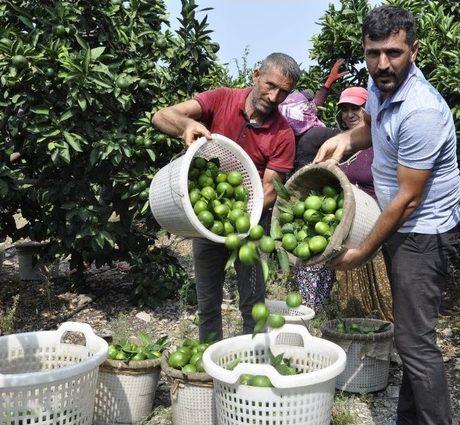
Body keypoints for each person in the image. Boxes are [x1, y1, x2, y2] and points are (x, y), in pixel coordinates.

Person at [314, 6, 460, 425]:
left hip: (423, 233)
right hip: (404, 227)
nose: (382, 63)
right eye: (373, 52)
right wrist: (346, 138)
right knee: (409, 338)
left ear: (414, 51)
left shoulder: (422, 111)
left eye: (394, 53)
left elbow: (407, 200)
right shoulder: (380, 86)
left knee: (417, 345)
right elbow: (374, 128)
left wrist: (362, 251)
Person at [152, 53, 300, 342]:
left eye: (284, 92)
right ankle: (209, 360)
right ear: (256, 74)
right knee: (207, 302)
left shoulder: (283, 134)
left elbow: (268, 190)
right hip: (208, 219)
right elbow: (160, 115)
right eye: (270, 85)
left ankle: (253, 360)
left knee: (253, 303)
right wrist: (185, 126)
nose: (273, 96)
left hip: (250, 221)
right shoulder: (221, 99)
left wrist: (239, 220)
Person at [332, 87, 393, 321]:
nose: (349, 115)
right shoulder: (339, 145)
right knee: (351, 295)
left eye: (355, 108)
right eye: (344, 110)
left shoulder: (380, 143)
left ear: (368, 111)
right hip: (347, 227)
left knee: (380, 292)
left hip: (372, 224)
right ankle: (356, 338)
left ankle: (386, 335)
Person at [277, 90, 337, 308]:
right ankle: (314, 305)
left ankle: (309, 303)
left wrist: (327, 85)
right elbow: (348, 139)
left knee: (307, 256)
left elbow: (308, 107)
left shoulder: (290, 135)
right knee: (319, 257)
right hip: (317, 197)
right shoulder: (316, 135)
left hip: (299, 201)